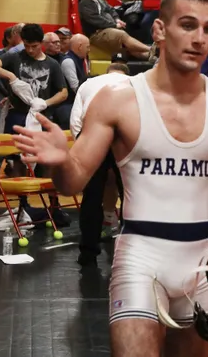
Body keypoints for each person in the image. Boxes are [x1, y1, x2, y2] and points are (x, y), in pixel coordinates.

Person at [12, 0, 208, 357]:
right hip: (141, 257)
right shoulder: (118, 99)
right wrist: (61, 163)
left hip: (202, 262)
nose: (199, 38)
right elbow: (75, 178)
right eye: (187, 25)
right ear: (160, 30)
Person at [70, 63, 130, 267]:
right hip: (125, 135)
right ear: (125, 73)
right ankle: (131, 252)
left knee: (92, 195)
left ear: (108, 72)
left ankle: (87, 253)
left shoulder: (88, 83)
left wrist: (83, 147)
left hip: (92, 134)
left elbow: (76, 120)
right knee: (130, 195)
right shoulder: (135, 83)